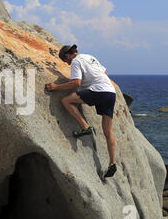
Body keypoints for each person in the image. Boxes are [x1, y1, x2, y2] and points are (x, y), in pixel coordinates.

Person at [45, 44, 117, 178]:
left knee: (66, 100)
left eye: (65, 61)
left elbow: (76, 83)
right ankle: (112, 162)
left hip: (99, 91)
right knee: (108, 131)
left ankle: (85, 127)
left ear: (67, 55)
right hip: (111, 93)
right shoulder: (90, 57)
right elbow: (105, 73)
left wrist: (56, 87)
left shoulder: (76, 61)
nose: (66, 63)